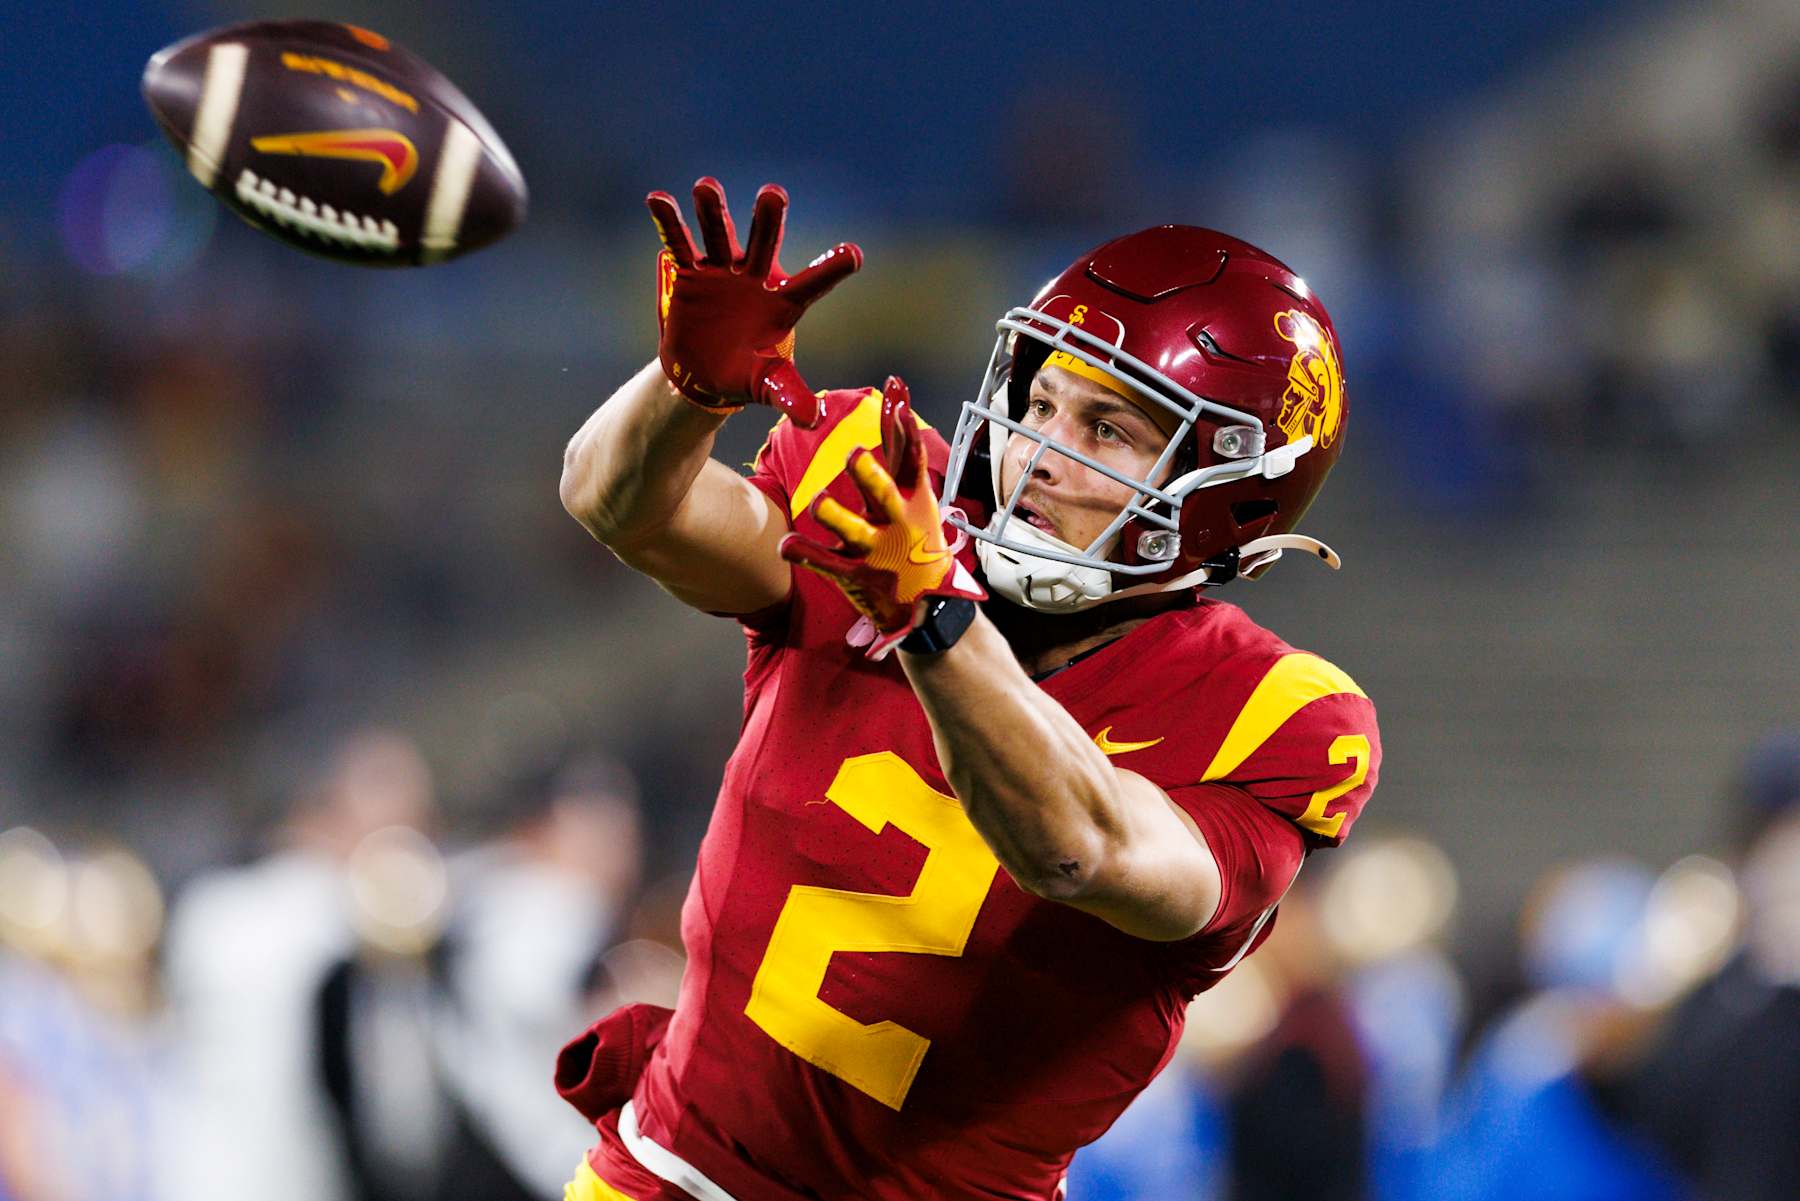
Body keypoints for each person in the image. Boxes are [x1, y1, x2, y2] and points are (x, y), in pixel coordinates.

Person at [554, 177, 1380, 1201]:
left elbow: (1085, 847)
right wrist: (687, 391)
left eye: (1109, 430)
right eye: (1038, 404)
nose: (1036, 453)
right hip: (666, 1178)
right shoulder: (886, 500)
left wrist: (932, 618)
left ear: (1231, 496)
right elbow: (620, 505)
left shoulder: (1277, 715)